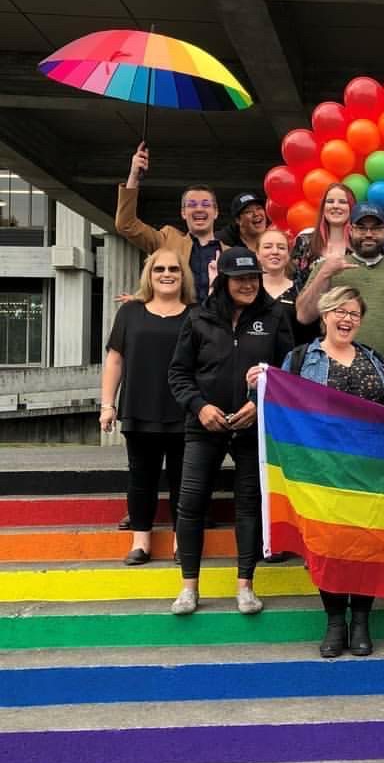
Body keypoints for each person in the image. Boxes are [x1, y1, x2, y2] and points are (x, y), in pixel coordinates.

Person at [251, 285, 384, 657]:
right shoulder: (301, 358)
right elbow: (277, 403)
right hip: (322, 473)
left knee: (367, 545)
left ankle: (361, 620)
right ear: (325, 315)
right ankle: (335, 621)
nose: (347, 319)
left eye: (354, 314)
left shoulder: (374, 359)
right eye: (340, 311)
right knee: (328, 546)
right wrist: (258, 385)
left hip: (371, 471)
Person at [168, 247, 294, 616]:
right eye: (240, 279)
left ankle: (245, 587)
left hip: (253, 425)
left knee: (249, 504)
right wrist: (199, 406)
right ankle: (189, 587)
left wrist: (259, 403)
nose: (248, 285)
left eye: (253, 277)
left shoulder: (275, 316)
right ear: (223, 281)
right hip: (204, 425)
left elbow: (288, 370)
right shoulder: (198, 317)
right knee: (191, 503)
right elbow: (178, 373)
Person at [100, 249, 195, 565]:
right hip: (139, 408)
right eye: (159, 269)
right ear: (149, 275)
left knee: (185, 480)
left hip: (185, 410)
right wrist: (107, 405)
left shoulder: (198, 314)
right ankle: (141, 541)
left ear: (183, 275)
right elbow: (115, 359)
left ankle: (183, 541)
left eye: (174, 269)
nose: (167, 274)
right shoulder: (130, 312)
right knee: (141, 478)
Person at [297, 203, 384, 377]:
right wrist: (324, 274)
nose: (368, 234)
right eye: (361, 228)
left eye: (375, 228)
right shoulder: (329, 267)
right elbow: (304, 316)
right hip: (334, 376)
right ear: (350, 230)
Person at [115, 141, 226, 302]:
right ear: (183, 213)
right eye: (192, 205)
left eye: (206, 204)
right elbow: (126, 225)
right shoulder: (167, 241)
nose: (199, 209)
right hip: (176, 317)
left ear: (216, 212)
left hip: (217, 318)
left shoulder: (230, 253)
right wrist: (134, 176)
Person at [295, 184, 355, 292]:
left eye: (342, 202)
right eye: (330, 201)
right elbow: (293, 282)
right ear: (323, 207)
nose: (335, 206)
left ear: (351, 207)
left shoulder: (360, 245)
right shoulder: (304, 241)